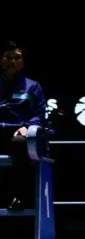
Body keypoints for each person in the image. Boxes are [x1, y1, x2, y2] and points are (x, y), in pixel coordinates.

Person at [0, 40, 47, 210]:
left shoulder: (33, 86)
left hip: (19, 132)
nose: (13, 61)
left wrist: (28, 126)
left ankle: (18, 197)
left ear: (23, 61)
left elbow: (40, 114)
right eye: (8, 57)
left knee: (20, 143)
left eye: (17, 57)